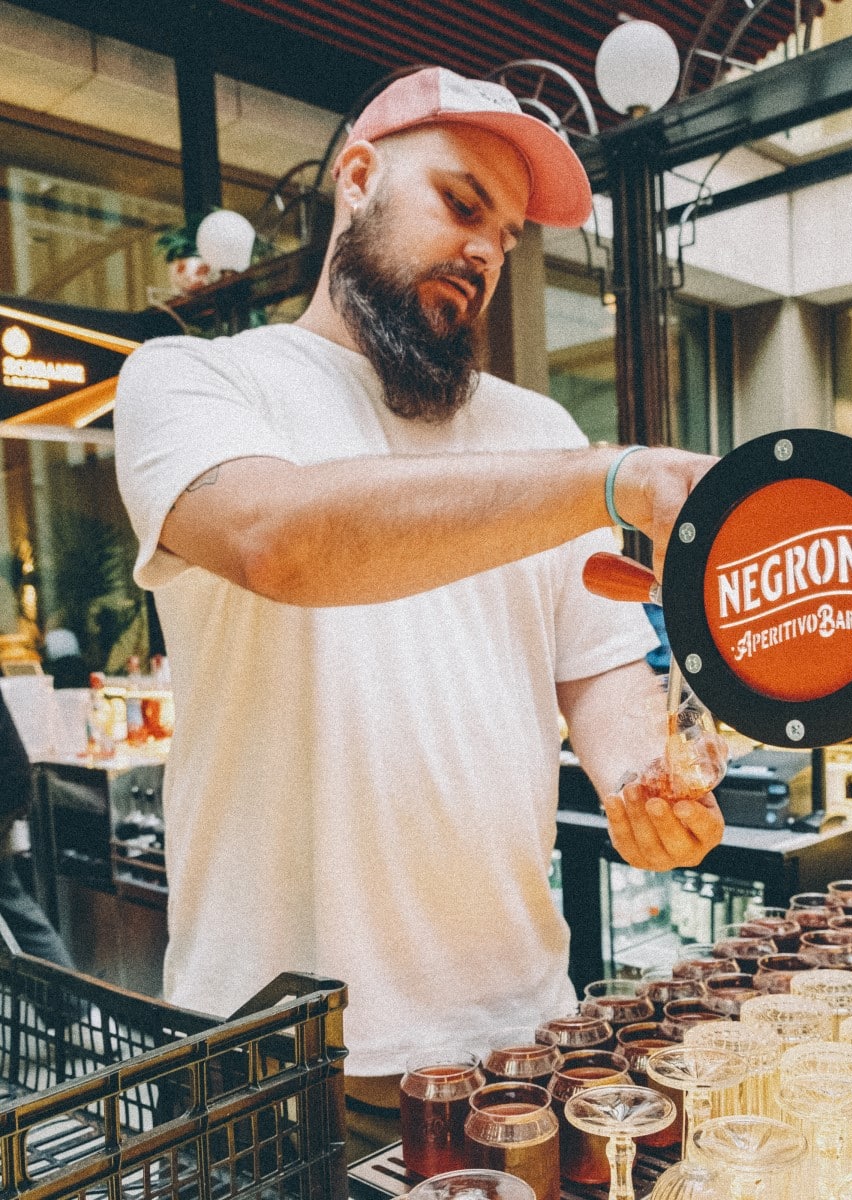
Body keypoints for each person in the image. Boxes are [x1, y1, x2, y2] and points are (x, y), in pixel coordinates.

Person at [113, 67, 724, 1099]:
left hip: (519, 1031)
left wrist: (640, 781)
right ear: (356, 178)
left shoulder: (538, 433)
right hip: (277, 1050)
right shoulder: (199, 381)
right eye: (460, 203)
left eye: (507, 234)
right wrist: (610, 480)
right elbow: (280, 542)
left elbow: (598, 668)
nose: (485, 249)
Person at [0, 687, 74, 968]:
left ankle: (74, 1007)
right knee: (14, 907)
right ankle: (74, 1006)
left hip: (4, 783)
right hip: (9, 780)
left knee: (16, 910)